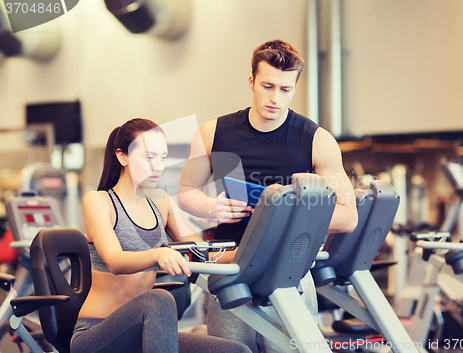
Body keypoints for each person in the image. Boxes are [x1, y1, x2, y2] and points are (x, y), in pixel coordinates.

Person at [177, 40, 358, 352]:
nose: (275, 98)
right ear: (251, 82)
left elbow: (348, 216)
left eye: (285, 89)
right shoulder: (213, 132)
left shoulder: (317, 140)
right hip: (231, 270)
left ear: (295, 87)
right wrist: (211, 206)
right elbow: (185, 192)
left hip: (290, 273)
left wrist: (293, 217)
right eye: (268, 86)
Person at [71, 118, 252, 353]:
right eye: (149, 157)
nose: (158, 166)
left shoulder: (160, 201)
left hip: (145, 331)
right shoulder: (99, 201)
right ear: (122, 156)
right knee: (159, 298)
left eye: (163, 157)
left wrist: (249, 253)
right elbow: (115, 261)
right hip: (97, 335)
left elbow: (202, 251)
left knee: (236, 351)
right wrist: (158, 254)